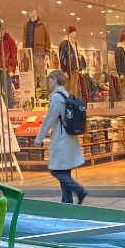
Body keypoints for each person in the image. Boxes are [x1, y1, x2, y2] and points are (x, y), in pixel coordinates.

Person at [35, 70, 88, 204]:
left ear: (54, 80)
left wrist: (39, 138)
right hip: (69, 136)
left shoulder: (57, 97)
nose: (48, 83)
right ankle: (67, 202)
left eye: (49, 80)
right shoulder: (66, 94)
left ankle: (79, 190)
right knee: (65, 170)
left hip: (61, 137)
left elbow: (49, 119)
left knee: (55, 170)